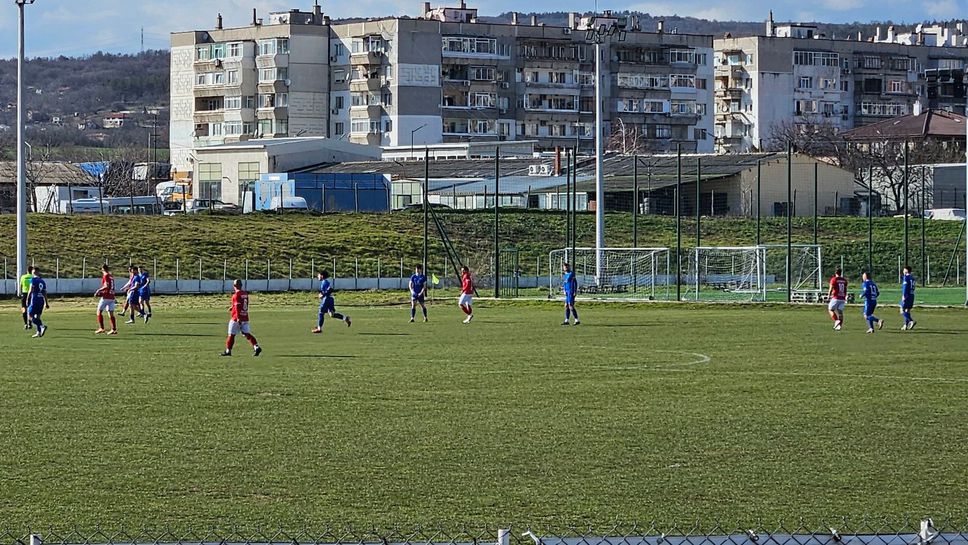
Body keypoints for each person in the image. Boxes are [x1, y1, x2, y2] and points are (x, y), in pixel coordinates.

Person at [222, 279, 262, 357]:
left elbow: (237, 306)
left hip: (236, 318)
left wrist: (238, 318)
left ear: (234, 286)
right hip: (245, 316)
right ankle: (256, 347)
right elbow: (243, 304)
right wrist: (232, 307)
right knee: (247, 334)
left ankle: (228, 351)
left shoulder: (236, 295)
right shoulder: (245, 294)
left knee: (231, 335)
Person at [95, 264, 119, 335]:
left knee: (99, 312)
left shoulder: (105, 276)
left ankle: (102, 328)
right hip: (112, 297)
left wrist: (99, 290)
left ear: (102, 269)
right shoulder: (111, 276)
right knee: (111, 313)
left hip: (106, 297)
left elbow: (106, 286)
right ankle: (113, 329)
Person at [26, 267, 49, 338]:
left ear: (33, 272)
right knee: (38, 317)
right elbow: (44, 293)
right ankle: (38, 332)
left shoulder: (32, 280)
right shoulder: (42, 281)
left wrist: (27, 299)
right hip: (41, 300)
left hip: (34, 300)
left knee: (30, 316)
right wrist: (46, 303)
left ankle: (42, 326)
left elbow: (30, 290)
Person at [900, 265, 917, 331]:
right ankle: (905, 325)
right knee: (907, 310)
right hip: (912, 295)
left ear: (906, 270)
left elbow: (905, 287)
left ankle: (911, 321)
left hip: (907, 295)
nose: (903, 271)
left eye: (904, 270)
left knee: (902, 309)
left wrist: (904, 295)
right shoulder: (912, 278)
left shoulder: (906, 277)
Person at [19, 265, 34, 330]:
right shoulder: (33, 277)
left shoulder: (23, 277)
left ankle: (25, 324)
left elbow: (20, 285)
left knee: (24, 309)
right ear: (32, 271)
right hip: (31, 294)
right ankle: (30, 323)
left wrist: (20, 293)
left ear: (27, 271)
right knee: (30, 309)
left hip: (24, 294)